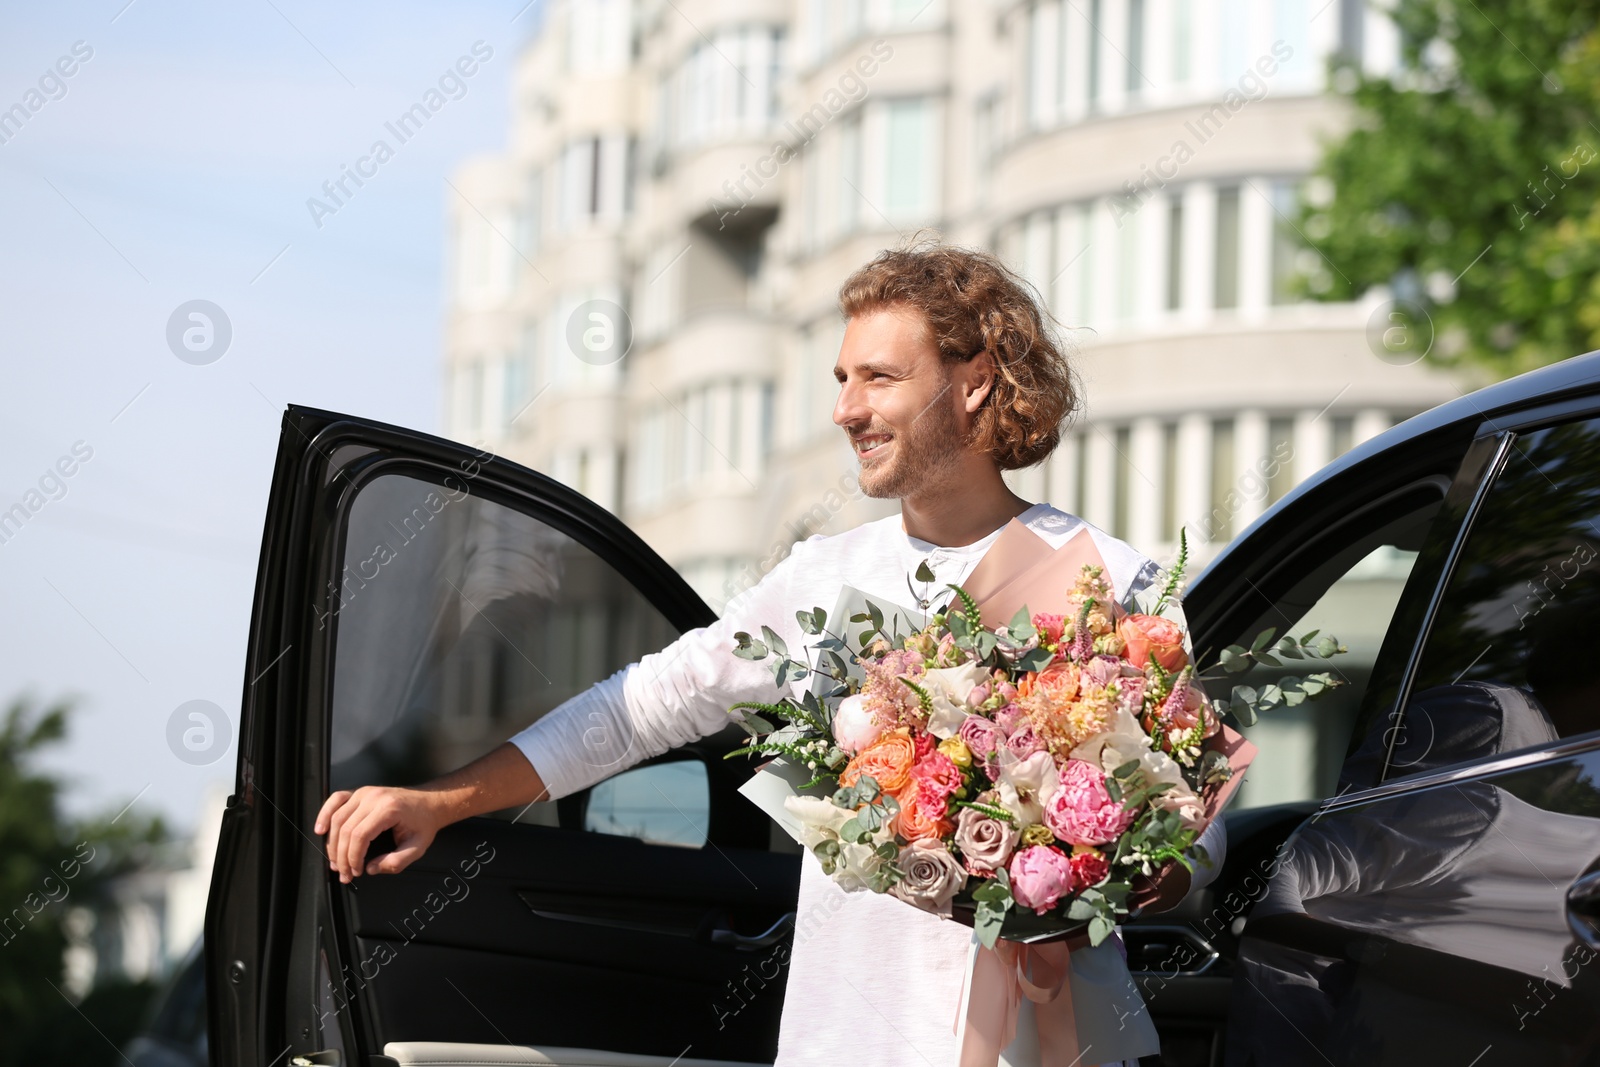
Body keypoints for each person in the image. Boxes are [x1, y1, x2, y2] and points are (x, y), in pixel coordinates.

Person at [316, 241, 1222, 1066]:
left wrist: (1140, 860)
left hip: (1060, 1045)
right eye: (840, 378)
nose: (844, 410)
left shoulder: (1114, 580)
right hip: (858, 1039)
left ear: (974, 383)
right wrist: (440, 800)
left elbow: (1196, 823)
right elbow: (641, 706)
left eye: (877, 377)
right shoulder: (821, 581)